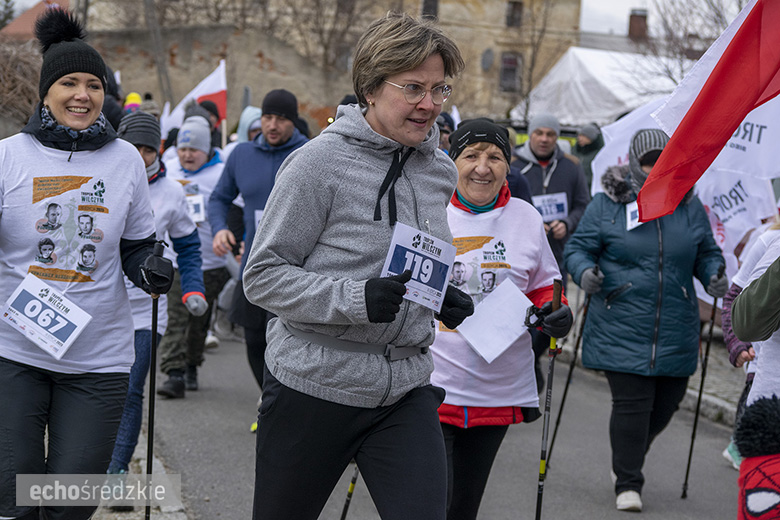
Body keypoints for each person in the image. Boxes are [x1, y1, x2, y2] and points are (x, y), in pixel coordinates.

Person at [242, 12, 473, 519]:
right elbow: (262, 276)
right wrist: (353, 298)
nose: (429, 104)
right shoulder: (315, 164)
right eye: (413, 87)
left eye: (440, 89)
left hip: (404, 387)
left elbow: (412, 259)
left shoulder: (439, 169)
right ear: (370, 87)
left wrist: (437, 297)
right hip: (314, 384)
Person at [0, 9, 173, 520]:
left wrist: (150, 267)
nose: (82, 94)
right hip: (14, 352)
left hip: (97, 359)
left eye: (93, 84)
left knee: (69, 505)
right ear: (46, 91)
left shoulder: (124, 161)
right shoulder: (9, 156)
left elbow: (137, 245)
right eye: (69, 82)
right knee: (14, 497)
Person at [563, 128, 726, 512]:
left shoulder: (689, 205)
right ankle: (628, 481)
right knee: (633, 406)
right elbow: (579, 247)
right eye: (648, 160)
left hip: (676, 324)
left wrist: (713, 272)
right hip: (620, 319)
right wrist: (584, 271)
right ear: (634, 162)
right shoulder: (607, 205)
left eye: (662, 159)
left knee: (669, 401)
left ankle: (627, 455)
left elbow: (706, 252)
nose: (655, 167)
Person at [430, 118, 573, 520]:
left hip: (495, 388)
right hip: (431, 383)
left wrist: (558, 315)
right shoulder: (429, 207)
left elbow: (547, 286)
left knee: (463, 507)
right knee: (427, 503)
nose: (482, 166)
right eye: (471, 155)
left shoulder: (526, 217)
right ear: (450, 159)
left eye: (494, 157)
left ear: (508, 165)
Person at [107, 112, 207, 490]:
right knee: (96, 389)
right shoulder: (103, 178)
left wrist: (193, 288)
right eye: (135, 146)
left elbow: (188, 245)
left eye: (149, 149)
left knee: (132, 390)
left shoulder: (172, 192)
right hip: (99, 304)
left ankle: (117, 469)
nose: (141, 154)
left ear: (158, 151)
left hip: (147, 309)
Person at [209, 89, 308, 430]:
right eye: (267, 117)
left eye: (281, 118)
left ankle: (283, 407)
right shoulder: (242, 154)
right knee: (253, 338)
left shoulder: (309, 153)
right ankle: (271, 398)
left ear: (292, 121)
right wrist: (221, 229)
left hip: (299, 268)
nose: (272, 124)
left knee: (291, 340)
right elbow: (219, 198)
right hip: (255, 265)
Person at [508, 113, 589, 391]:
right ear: (530, 135)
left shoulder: (571, 167)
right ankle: (524, 362)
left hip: (557, 254)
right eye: (539, 133)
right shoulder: (515, 167)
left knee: (553, 310)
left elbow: (582, 204)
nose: (544, 139)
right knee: (522, 312)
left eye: (550, 134)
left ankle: (531, 358)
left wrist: (566, 223)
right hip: (520, 255)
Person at [156, 115, 230, 398]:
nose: (187, 155)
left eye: (193, 150)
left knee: (199, 320)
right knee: (175, 317)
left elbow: (232, 209)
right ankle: (173, 373)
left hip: (211, 261)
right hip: (175, 259)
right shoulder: (168, 168)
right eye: (183, 149)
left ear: (206, 150)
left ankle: (191, 364)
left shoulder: (221, 173)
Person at [573, 122, 604, 190]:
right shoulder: (575, 151)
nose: (579, 138)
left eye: (583, 135)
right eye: (579, 135)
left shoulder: (600, 154)